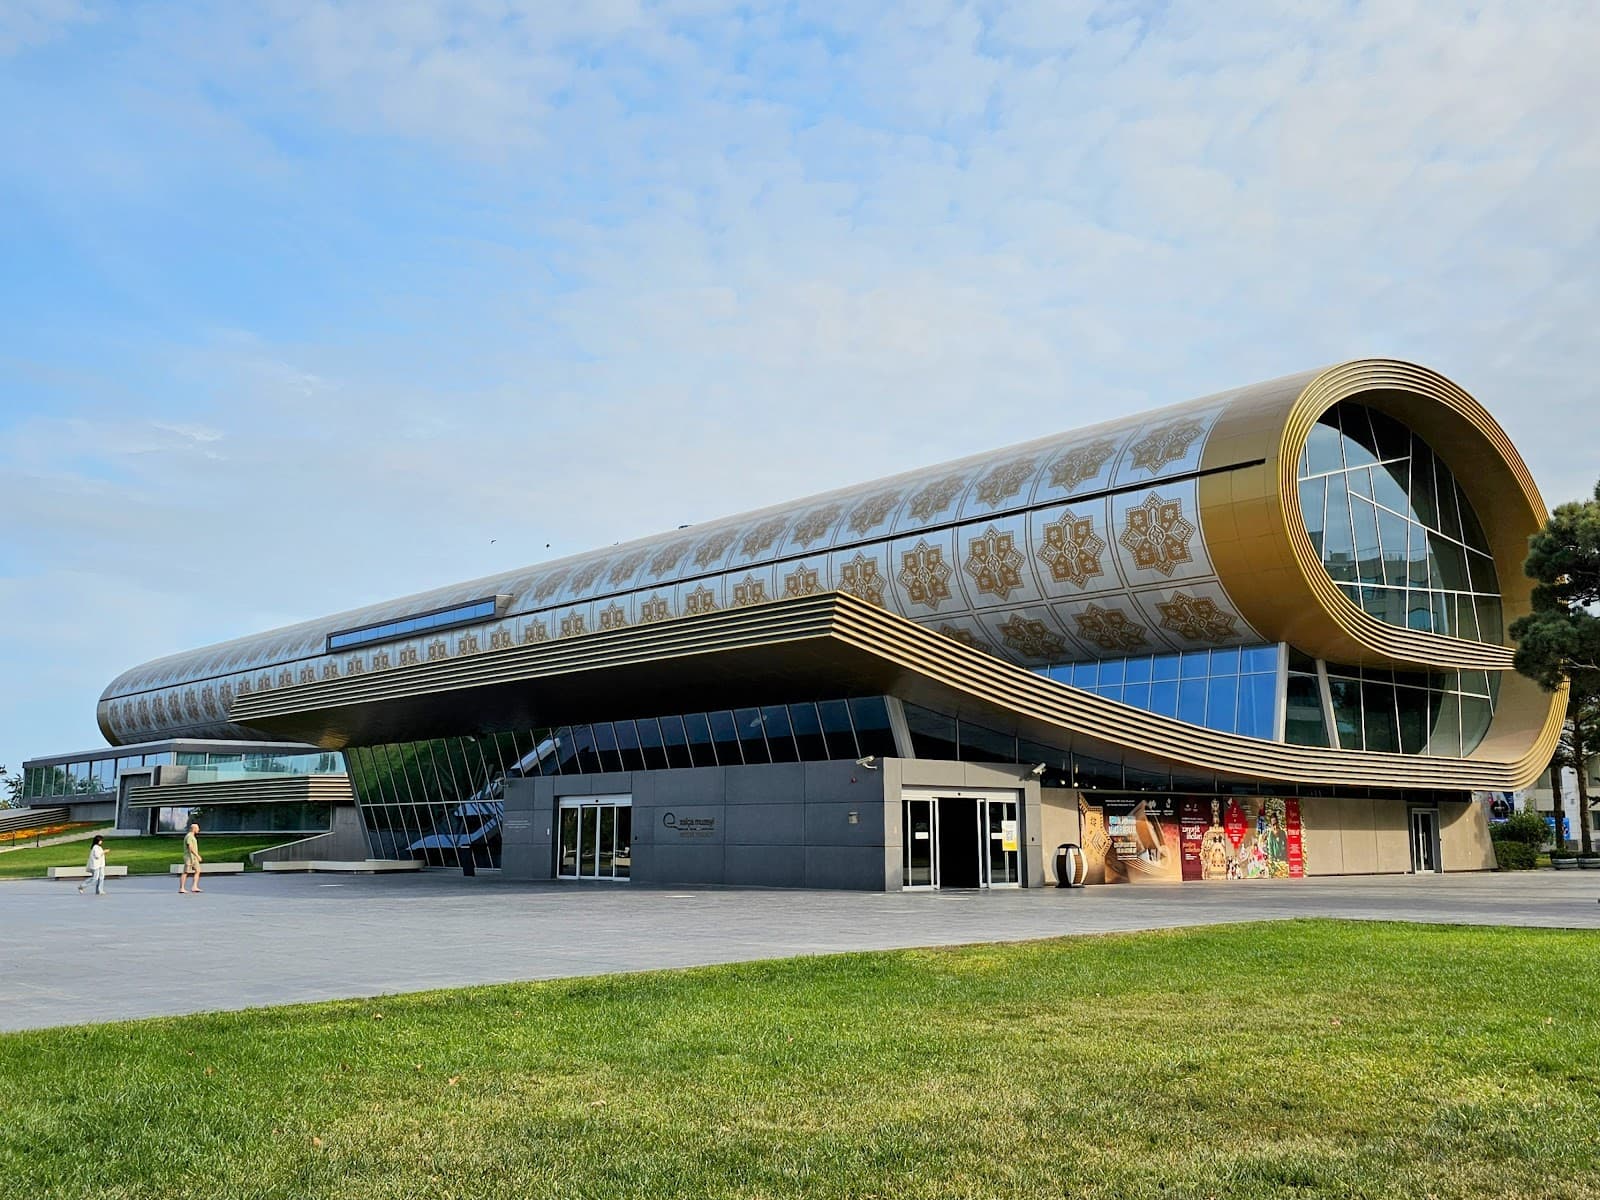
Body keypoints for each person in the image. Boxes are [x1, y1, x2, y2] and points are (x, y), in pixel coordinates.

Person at [179, 822, 204, 894]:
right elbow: (190, 847)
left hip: (194, 858)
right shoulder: (189, 836)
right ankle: (182, 888)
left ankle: (194, 886)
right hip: (189, 857)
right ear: (194, 829)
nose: (198, 830)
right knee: (185, 872)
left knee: (198, 870)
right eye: (197, 828)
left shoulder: (192, 836)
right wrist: (197, 855)